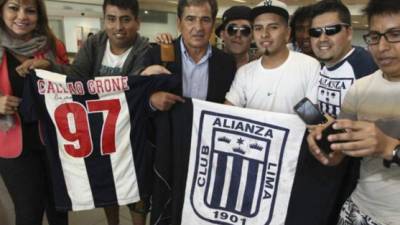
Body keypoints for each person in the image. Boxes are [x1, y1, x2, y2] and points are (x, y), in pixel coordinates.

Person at [22, 0, 150, 224]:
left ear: (137, 22)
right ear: (104, 20)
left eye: (125, 19)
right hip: (98, 130)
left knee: (136, 188)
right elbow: (76, 76)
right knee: (106, 183)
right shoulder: (95, 44)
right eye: (111, 19)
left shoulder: (145, 51)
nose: (118, 26)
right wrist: (50, 68)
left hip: (130, 132)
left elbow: (135, 88)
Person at [307, 1, 400, 224]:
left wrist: (389, 148)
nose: (383, 47)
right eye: (375, 37)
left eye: (395, 35)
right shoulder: (360, 87)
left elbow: (386, 147)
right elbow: (342, 150)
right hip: (357, 208)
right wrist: (328, 150)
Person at [289, 1, 379, 224]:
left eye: (332, 30)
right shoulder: (322, 67)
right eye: (315, 32)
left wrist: (335, 125)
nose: (322, 38)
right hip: (327, 166)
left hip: (356, 177)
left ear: (348, 32)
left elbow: (375, 129)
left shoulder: (364, 65)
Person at [0, 0, 69, 224]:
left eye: (30, 11)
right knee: (29, 212)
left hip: (54, 140)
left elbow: (73, 82)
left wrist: (51, 67)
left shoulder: (51, 46)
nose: (22, 16)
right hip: (13, 143)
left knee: (60, 208)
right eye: (13, 8)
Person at [225, 0, 320, 114]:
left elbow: (311, 118)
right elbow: (227, 113)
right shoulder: (244, 72)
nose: (264, 34)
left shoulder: (309, 66)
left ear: (287, 33)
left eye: (273, 27)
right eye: (258, 28)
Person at [141, 0, 236, 109]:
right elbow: (136, 100)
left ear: (213, 24)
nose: (198, 27)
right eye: (190, 19)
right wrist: (151, 102)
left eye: (205, 20)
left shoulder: (227, 63)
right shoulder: (156, 56)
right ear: (179, 23)